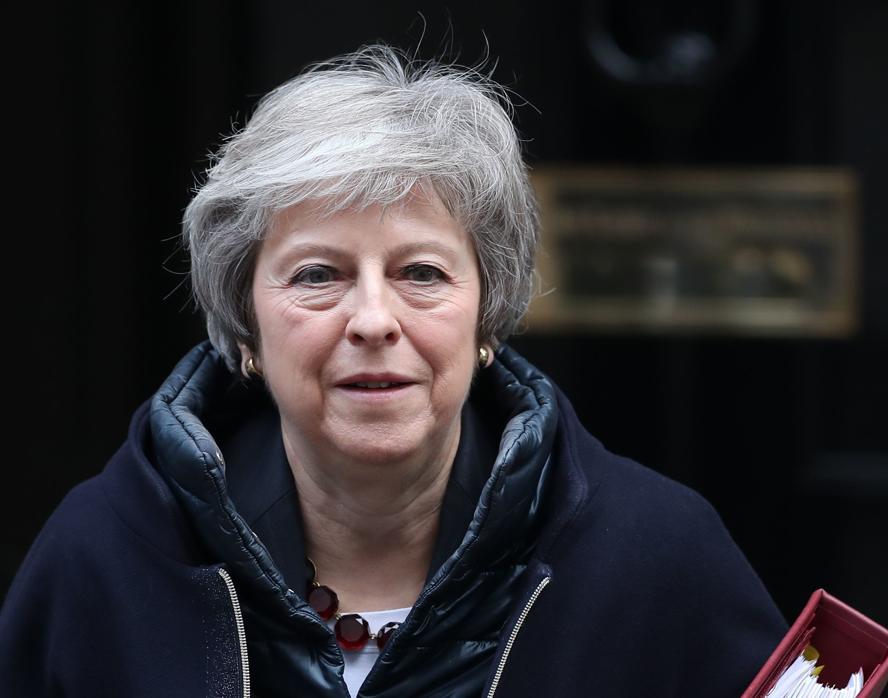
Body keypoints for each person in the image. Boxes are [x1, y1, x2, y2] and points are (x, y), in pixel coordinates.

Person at [0, 45, 786, 697]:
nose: (374, 319)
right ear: (245, 326)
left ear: (488, 316)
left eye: (421, 272)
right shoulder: (105, 556)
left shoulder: (657, 556)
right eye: (317, 275)